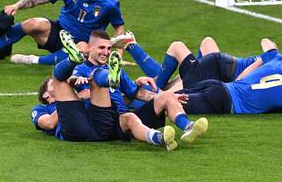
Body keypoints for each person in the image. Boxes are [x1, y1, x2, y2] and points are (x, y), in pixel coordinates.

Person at [45, 29, 208, 150]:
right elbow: (70, 82)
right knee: (102, 81)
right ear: (90, 48)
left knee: (166, 96)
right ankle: (158, 138)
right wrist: (77, 81)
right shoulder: (81, 69)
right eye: (101, 48)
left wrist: (162, 97)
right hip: (104, 117)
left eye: (109, 49)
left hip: (122, 113)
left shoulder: (117, 68)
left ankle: (188, 127)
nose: (106, 52)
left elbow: (136, 93)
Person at [112, 32, 282, 106]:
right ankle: (134, 86)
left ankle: (133, 49)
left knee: (185, 52)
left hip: (223, 64)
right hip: (225, 75)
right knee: (167, 91)